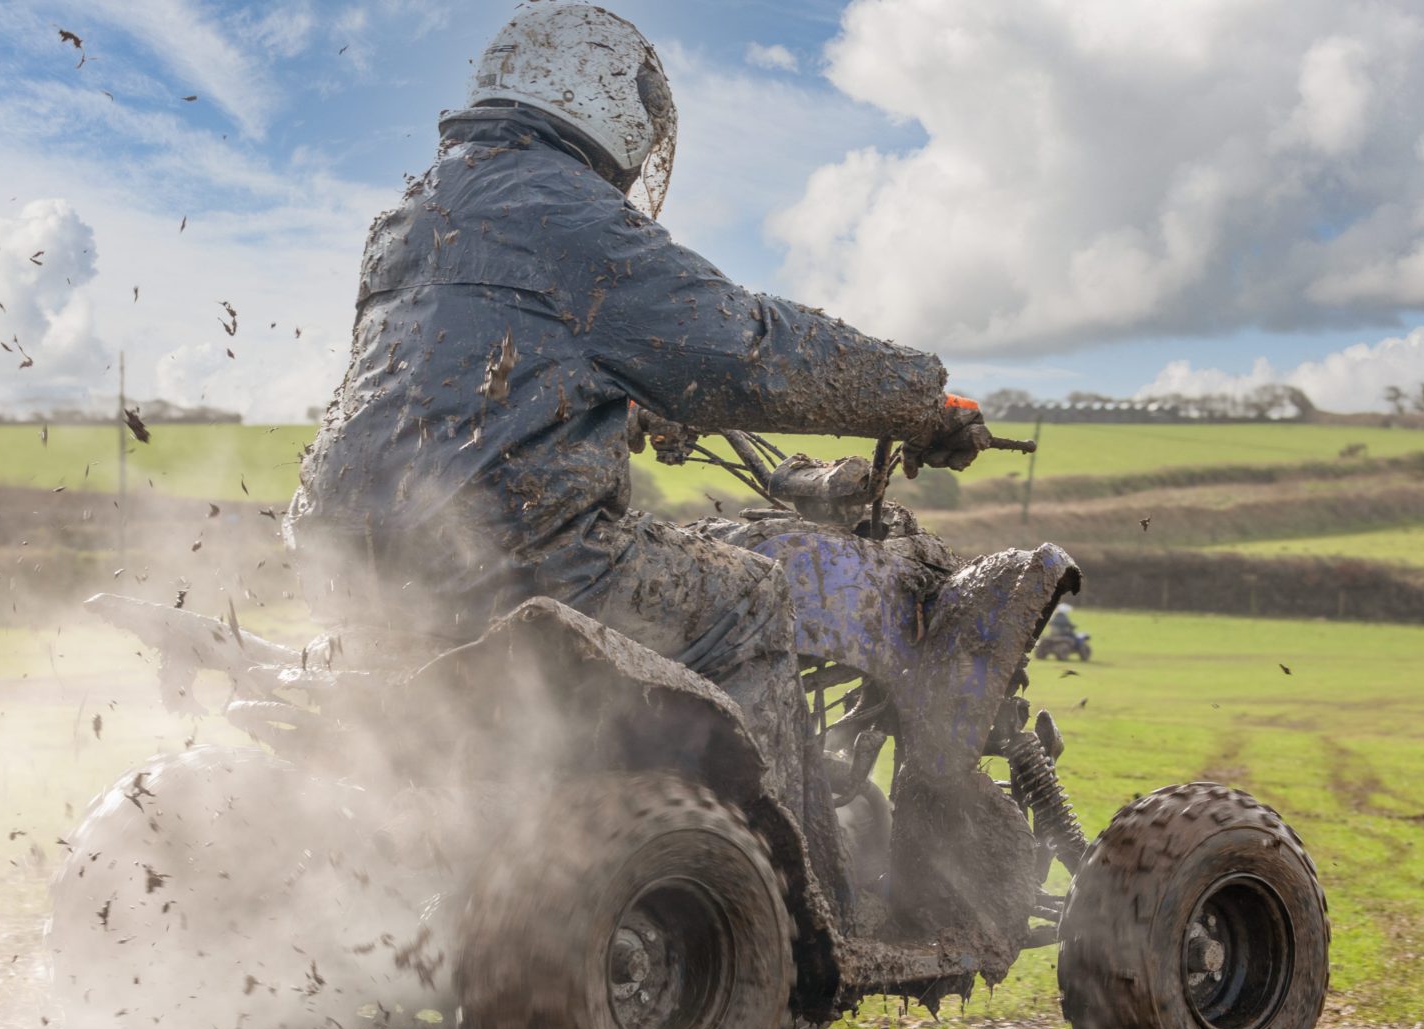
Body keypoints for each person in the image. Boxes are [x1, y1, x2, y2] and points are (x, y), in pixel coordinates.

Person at [285, 1, 987, 814]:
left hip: (349, 558)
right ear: (608, 100)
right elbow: (749, 349)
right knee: (756, 595)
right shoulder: (571, 213)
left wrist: (630, 404)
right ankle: (774, 895)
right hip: (510, 559)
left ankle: (607, 801)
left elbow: (475, 377)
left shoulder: (414, 214)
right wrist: (918, 400)